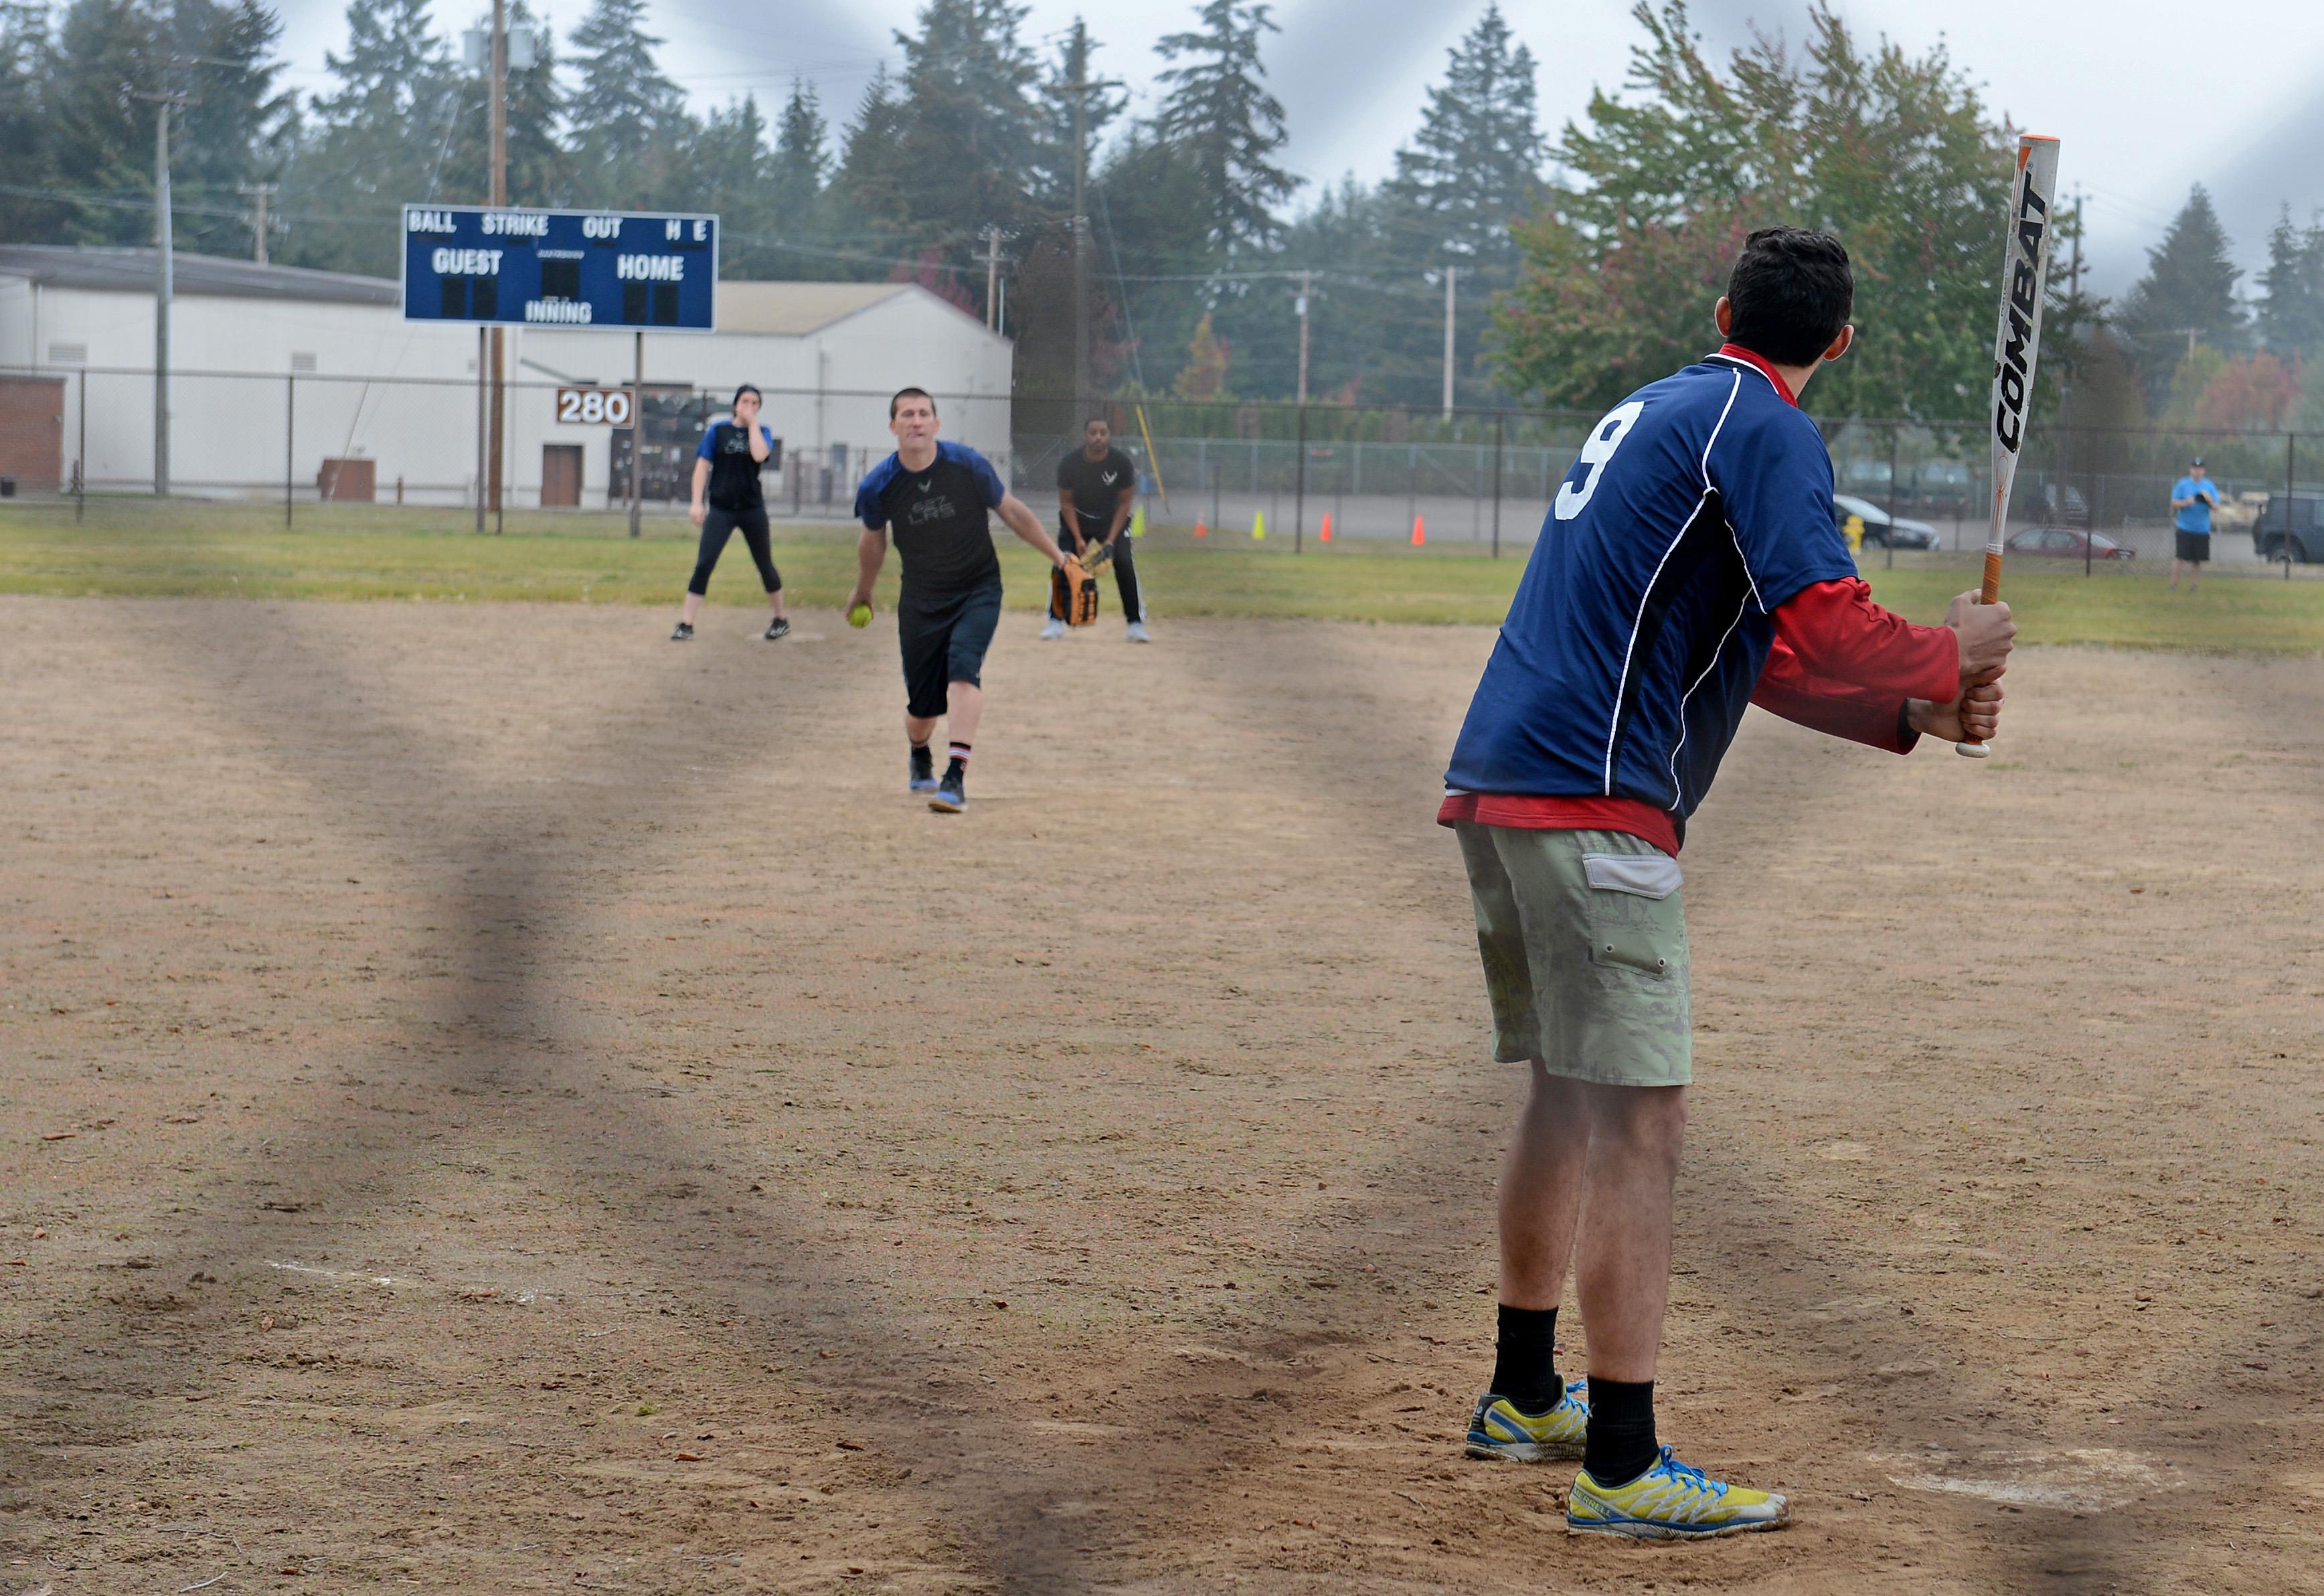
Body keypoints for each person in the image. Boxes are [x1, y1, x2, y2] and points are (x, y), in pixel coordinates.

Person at [1438, 226, 2014, 1540]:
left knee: (1565, 1096)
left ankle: (1527, 1393)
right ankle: (1624, 1464)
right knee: (1642, 1123)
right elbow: (1825, 620)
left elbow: (1754, 650)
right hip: (1590, 799)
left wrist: (1908, 718)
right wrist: (1948, 649)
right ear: (1841, 344)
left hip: (1503, 784)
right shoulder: (1765, 427)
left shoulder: (1663, 405)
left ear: (1719, 311)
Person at [849, 388, 1072, 813]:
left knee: (964, 670)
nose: (916, 421)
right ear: (893, 427)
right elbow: (873, 543)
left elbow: (1013, 512)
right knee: (922, 708)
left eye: (923, 413)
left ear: (936, 423)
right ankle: (920, 753)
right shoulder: (879, 485)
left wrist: (1060, 559)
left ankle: (955, 777)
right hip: (921, 599)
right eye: (907, 415)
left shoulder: (966, 465)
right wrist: (863, 589)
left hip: (977, 587)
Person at [671, 385, 788, 642]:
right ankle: (686, 624)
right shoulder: (718, 431)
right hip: (722, 508)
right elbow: (702, 467)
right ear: (736, 404)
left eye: (755, 403)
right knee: (704, 563)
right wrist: (696, 503)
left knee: (765, 564)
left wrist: (753, 423)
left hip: (751, 508)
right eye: (745, 401)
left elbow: (759, 455)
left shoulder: (763, 432)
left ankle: (780, 619)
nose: (750, 406)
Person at [1042, 416, 1151, 643]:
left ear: (1110, 436)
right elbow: (1066, 503)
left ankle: (1135, 624)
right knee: (1063, 561)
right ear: (1085, 436)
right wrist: (1079, 539)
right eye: (1093, 432)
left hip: (1111, 520)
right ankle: (1055, 621)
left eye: (1103, 432)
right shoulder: (1070, 463)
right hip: (1078, 519)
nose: (1098, 437)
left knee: (1123, 561)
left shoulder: (1121, 463)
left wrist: (1110, 541)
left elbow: (1125, 504)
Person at [2169, 457, 2220, 592]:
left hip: (2202, 529)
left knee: (2197, 560)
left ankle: (2194, 586)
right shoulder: (2182, 484)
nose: (2197, 471)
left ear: (2204, 471)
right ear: (2190, 469)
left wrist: (2209, 502)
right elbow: (2174, 502)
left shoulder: (2209, 486)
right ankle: (2173, 585)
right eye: (2194, 469)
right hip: (2185, 528)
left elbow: (2216, 506)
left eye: (2200, 469)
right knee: (2180, 557)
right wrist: (2186, 502)